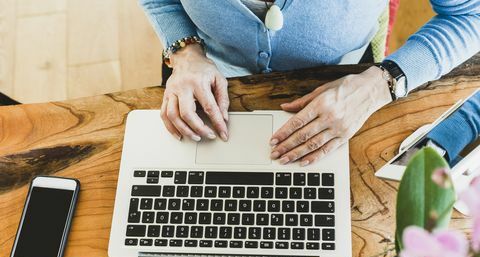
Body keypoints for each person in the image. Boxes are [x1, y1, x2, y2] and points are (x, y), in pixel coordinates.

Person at [140, 0, 480, 166]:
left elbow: (471, 13)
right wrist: (184, 50)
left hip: (347, 95)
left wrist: (380, 84)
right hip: (198, 77)